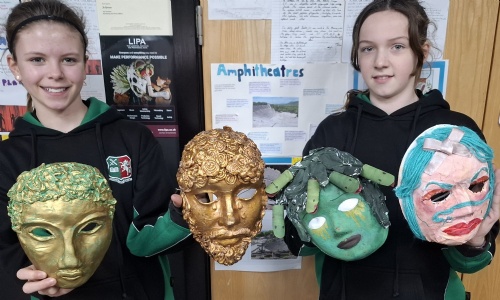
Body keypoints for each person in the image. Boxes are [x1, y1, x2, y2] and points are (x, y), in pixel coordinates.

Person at [283, 1, 500, 300]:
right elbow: (301, 235)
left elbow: (471, 261)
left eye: (396, 47)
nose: (380, 61)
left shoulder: (454, 133)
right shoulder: (331, 133)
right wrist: (292, 217)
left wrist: (475, 240)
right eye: (368, 48)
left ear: (421, 52)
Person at [0, 1, 191, 299]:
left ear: (85, 63)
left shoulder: (133, 139)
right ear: (15, 66)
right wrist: (30, 284)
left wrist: (186, 217)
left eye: (68, 60)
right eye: (37, 59)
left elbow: (149, 232)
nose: (55, 73)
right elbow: (5, 252)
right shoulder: (6, 160)